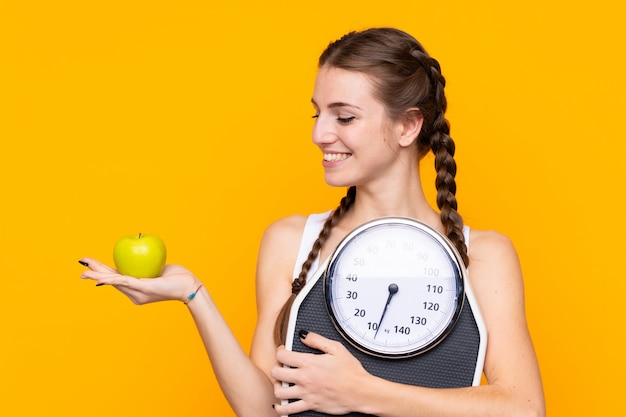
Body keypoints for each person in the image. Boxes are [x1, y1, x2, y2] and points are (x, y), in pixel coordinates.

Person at [80, 27, 545, 417]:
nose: (320, 134)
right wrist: (192, 294)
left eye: (344, 116)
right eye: (317, 113)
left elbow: (523, 407)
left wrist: (364, 392)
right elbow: (264, 408)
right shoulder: (292, 242)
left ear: (408, 126)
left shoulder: (481, 255)